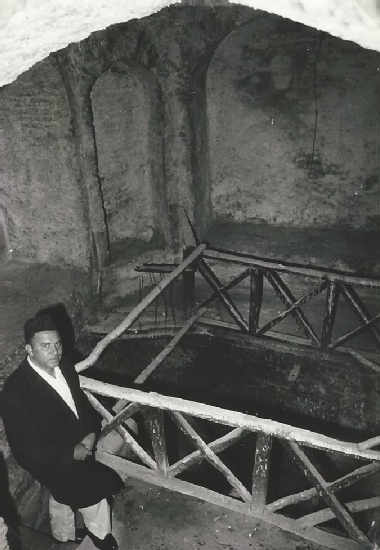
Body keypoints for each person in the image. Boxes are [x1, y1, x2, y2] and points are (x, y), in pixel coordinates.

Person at [1, 314, 123, 550]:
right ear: (29, 349)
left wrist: (90, 431)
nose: (54, 351)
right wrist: (70, 453)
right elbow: (24, 450)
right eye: (45, 346)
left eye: (57, 344)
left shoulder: (65, 366)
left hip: (78, 444)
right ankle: (101, 536)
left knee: (61, 493)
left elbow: (80, 405)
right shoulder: (15, 392)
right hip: (48, 459)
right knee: (91, 491)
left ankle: (62, 536)